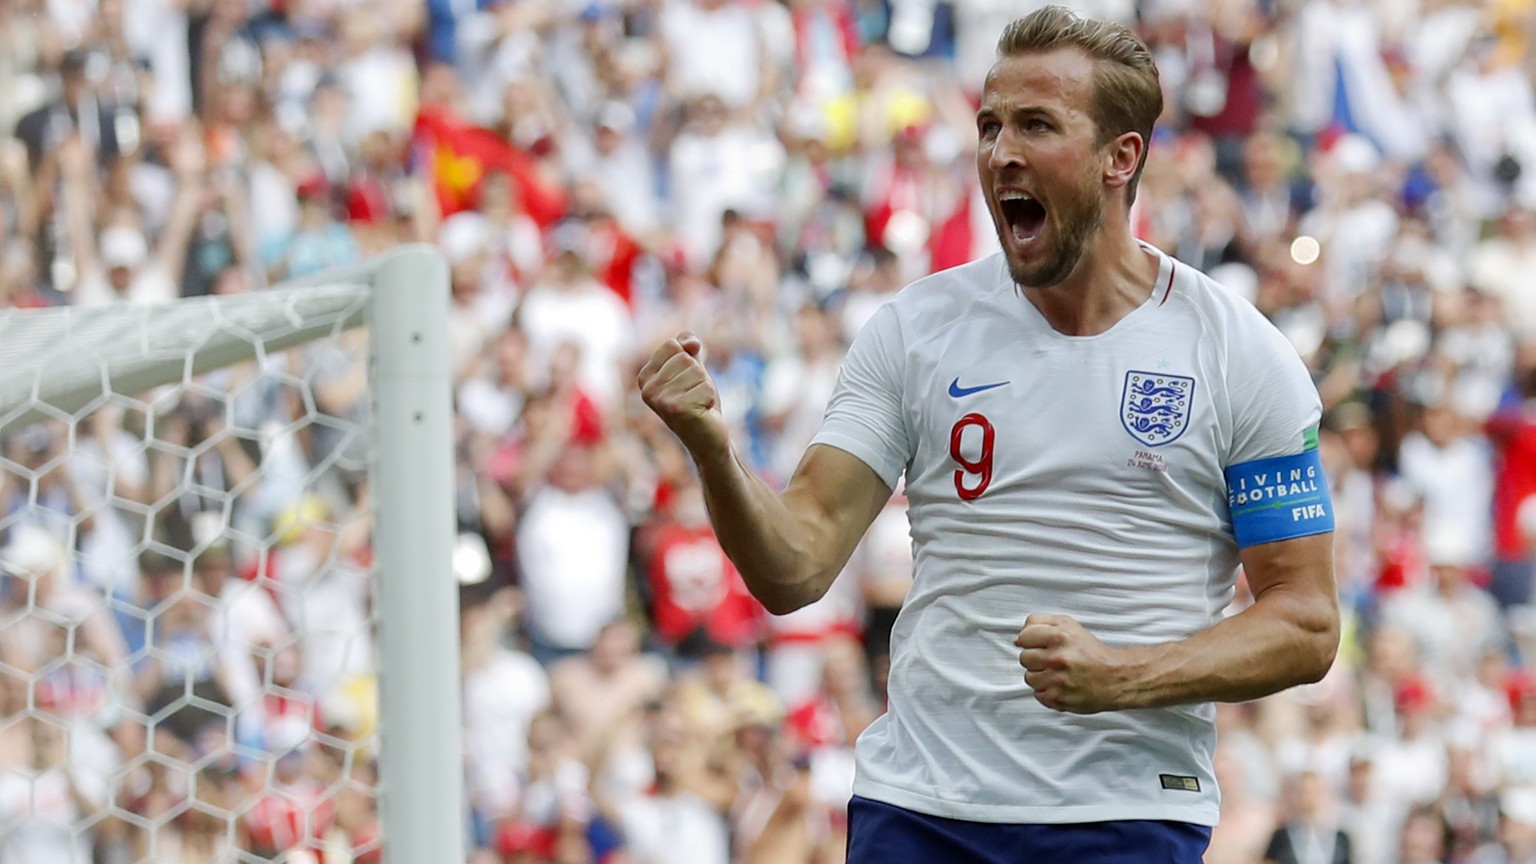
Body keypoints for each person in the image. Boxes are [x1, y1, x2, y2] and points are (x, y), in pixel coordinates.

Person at [636, 6, 1339, 863]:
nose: (1000, 151)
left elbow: (1305, 624)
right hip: (920, 808)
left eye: (1037, 124)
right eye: (989, 124)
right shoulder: (915, 330)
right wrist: (714, 449)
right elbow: (794, 567)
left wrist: (1124, 676)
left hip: (1121, 814)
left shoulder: (1241, 355)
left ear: (1123, 157)